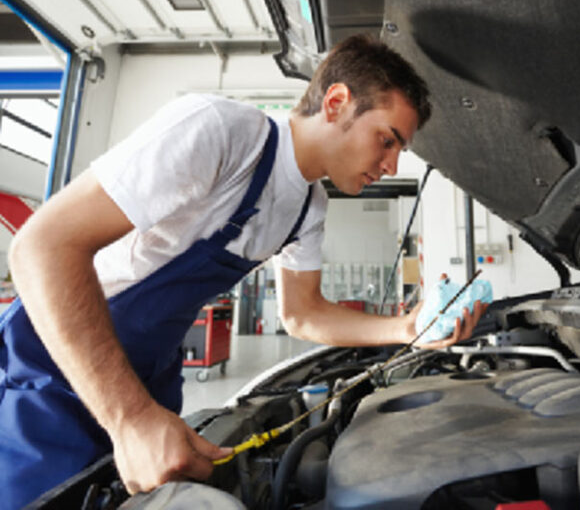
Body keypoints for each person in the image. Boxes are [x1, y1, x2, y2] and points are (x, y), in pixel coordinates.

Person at [0, 34, 485, 508]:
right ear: (336, 102)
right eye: (387, 140)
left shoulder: (308, 209)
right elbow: (41, 247)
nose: (392, 164)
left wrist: (407, 329)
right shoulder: (220, 133)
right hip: (59, 365)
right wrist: (129, 417)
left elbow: (303, 314)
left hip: (149, 375)